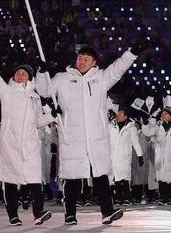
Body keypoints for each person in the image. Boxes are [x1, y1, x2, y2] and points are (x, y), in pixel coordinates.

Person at [36, 45, 143, 225]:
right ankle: (70, 214)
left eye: (86, 59)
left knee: (101, 177)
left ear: (94, 62)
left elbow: (118, 68)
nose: (82, 61)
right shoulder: (62, 78)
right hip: (72, 137)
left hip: (96, 138)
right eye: (79, 58)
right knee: (72, 178)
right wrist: (41, 72)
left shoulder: (101, 78)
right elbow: (44, 90)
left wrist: (132, 53)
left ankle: (107, 212)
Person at [0, 55, 54, 226]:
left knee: (35, 179)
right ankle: (13, 215)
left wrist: (51, 116)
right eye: (18, 73)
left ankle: (38, 213)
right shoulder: (6, 91)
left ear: (29, 77)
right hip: (10, 144)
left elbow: (38, 122)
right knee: (10, 180)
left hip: (30, 144)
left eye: (24, 73)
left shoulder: (35, 97)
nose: (20, 75)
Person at [109, 107, 143, 206]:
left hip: (124, 156)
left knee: (125, 178)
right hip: (114, 156)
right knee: (116, 179)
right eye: (118, 114)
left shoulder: (130, 128)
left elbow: (135, 142)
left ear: (125, 117)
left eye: (120, 115)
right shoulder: (111, 126)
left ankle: (127, 198)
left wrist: (140, 155)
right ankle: (118, 198)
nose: (118, 116)